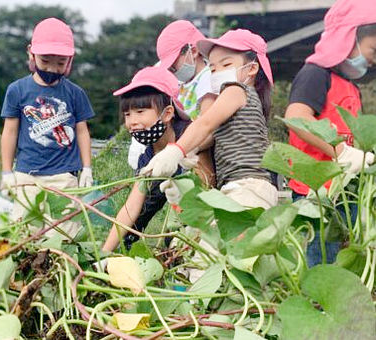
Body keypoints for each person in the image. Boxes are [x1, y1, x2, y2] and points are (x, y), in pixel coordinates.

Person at [141, 29, 278, 209]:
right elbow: (210, 136)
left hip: (248, 188)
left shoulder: (236, 90)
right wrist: (189, 152)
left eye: (226, 65)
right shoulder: (245, 100)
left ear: (251, 68)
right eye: (212, 68)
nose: (218, 72)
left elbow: (205, 123)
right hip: (240, 187)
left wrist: (175, 151)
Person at [284, 0, 376, 266]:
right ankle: (317, 304)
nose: (373, 58)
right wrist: (342, 152)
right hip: (316, 189)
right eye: (373, 49)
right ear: (350, 37)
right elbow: (296, 117)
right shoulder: (315, 74)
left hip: (344, 190)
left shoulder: (350, 86)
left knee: (342, 253)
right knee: (320, 254)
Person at [0, 18, 95, 239]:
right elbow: (10, 131)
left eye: (60, 63)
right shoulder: (17, 90)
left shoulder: (75, 93)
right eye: (45, 61)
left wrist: (87, 167)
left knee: (64, 236)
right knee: (24, 236)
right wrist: (6, 172)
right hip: (27, 175)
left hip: (64, 176)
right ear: (31, 53)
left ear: (70, 60)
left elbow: (82, 131)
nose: (52, 69)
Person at [102, 66, 200, 252]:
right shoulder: (147, 157)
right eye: (127, 114)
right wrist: (104, 252)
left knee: (178, 242)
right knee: (139, 219)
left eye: (140, 112)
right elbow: (132, 207)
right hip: (179, 211)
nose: (132, 121)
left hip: (204, 215)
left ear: (168, 113)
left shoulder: (190, 135)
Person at [128, 20, 215, 187]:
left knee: (199, 165)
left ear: (193, 51)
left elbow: (208, 125)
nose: (172, 70)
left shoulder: (207, 78)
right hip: (178, 144)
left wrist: (184, 149)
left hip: (198, 146)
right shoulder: (179, 82)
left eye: (174, 63)